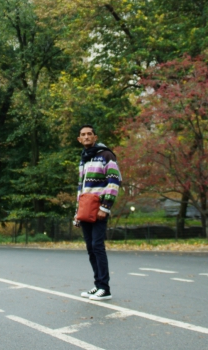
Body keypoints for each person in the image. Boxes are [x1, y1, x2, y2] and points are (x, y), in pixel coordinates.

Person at [73, 125, 121, 301]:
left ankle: (105, 288)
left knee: (98, 246)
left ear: (95, 137)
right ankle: (98, 285)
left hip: (98, 209)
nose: (86, 137)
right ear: (79, 139)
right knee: (91, 248)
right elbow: (81, 187)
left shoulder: (106, 155)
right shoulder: (84, 159)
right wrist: (77, 212)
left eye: (89, 134)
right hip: (85, 209)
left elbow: (114, 181)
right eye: (83, 135)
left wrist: (105, 207)